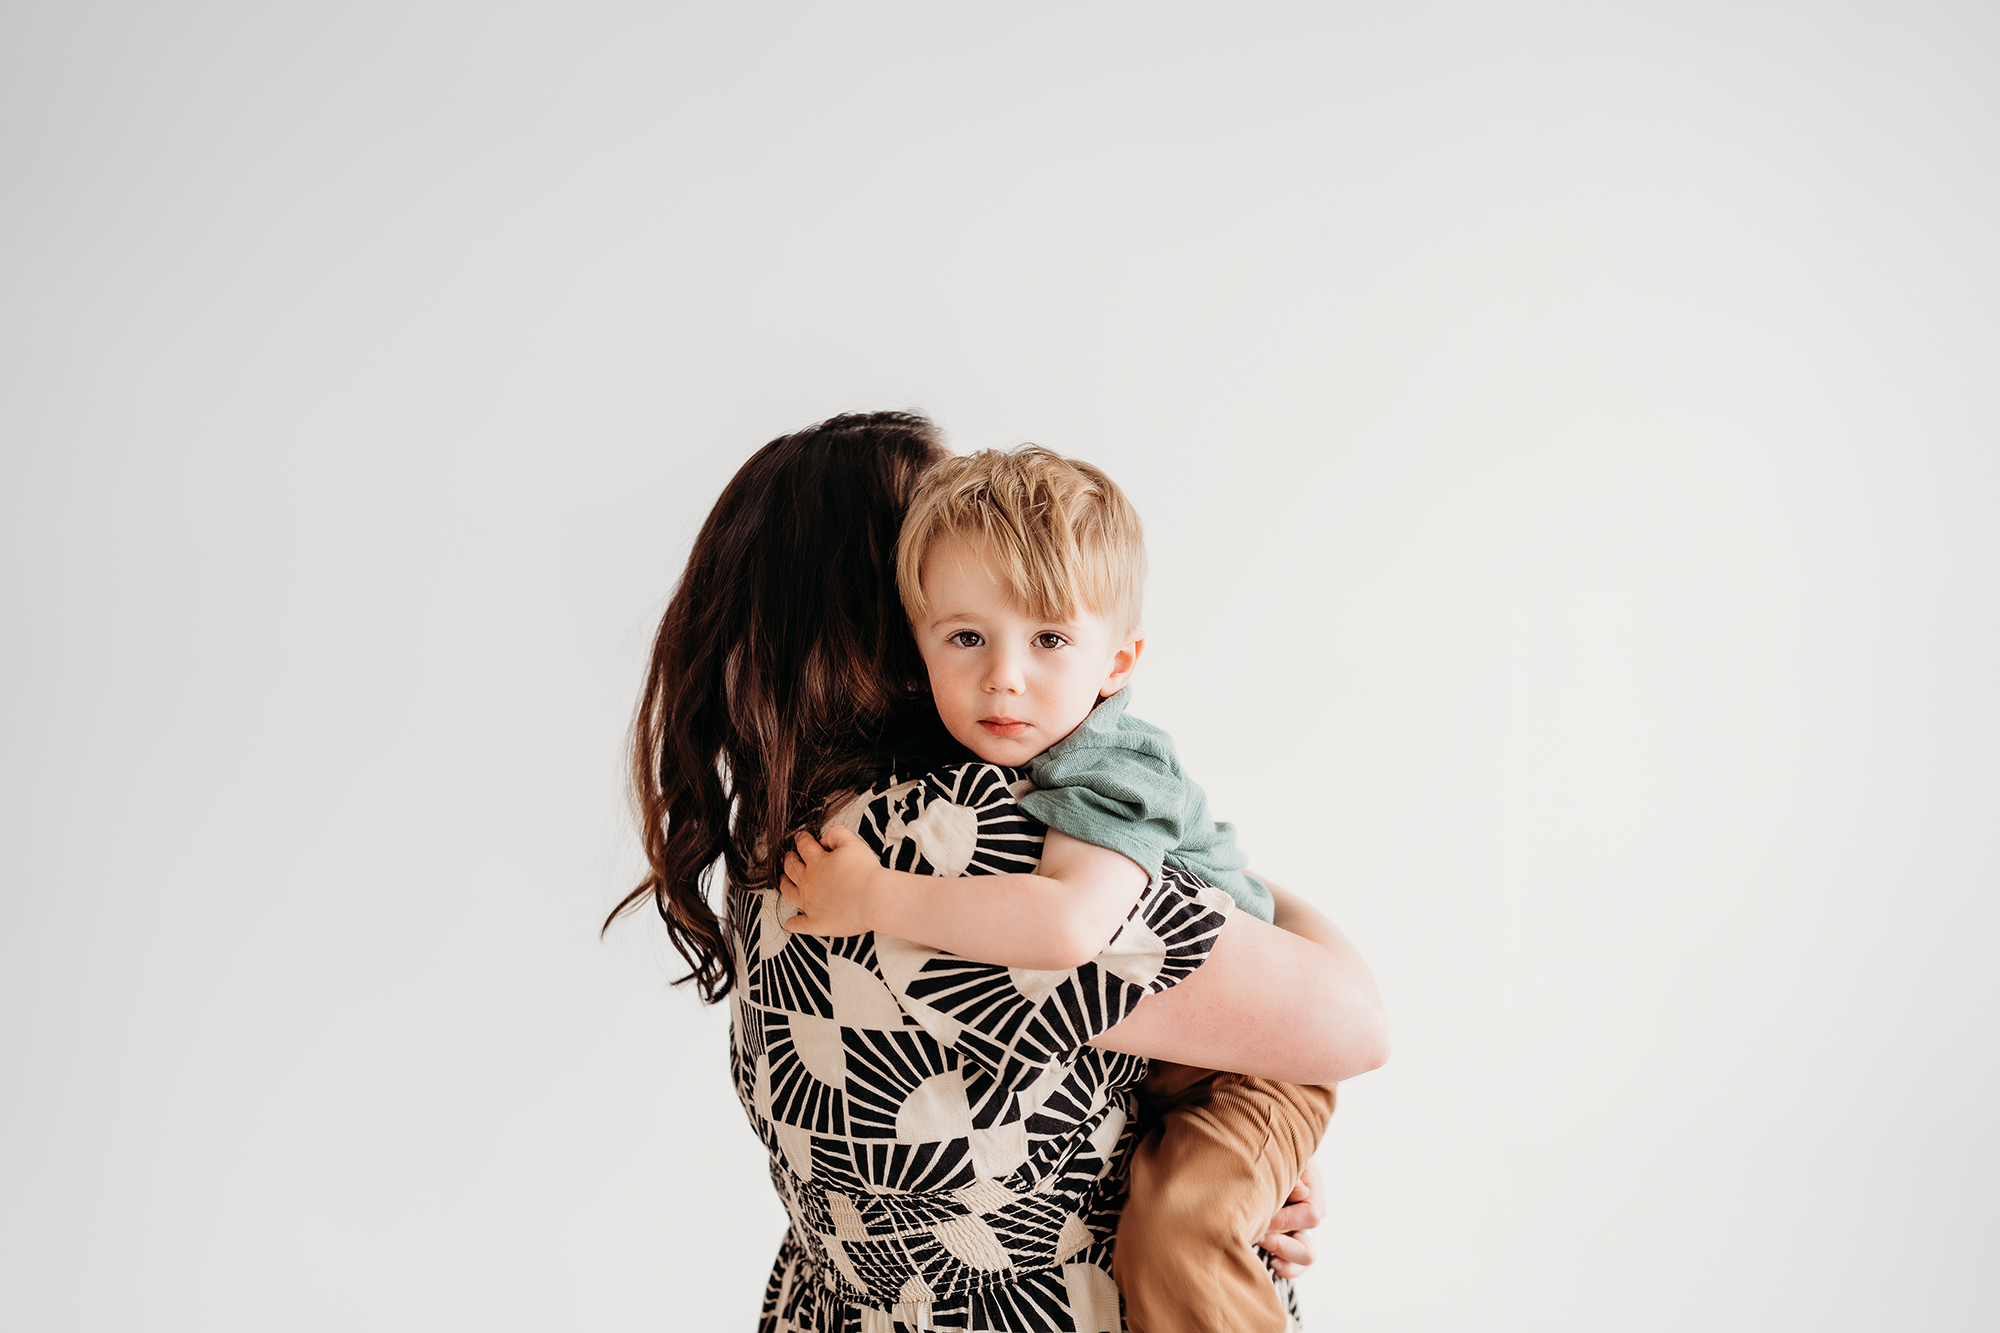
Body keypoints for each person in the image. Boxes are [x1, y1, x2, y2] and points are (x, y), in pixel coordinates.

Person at [608, 412, 1388, 1332]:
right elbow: (1351, 1021)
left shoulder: (781, 843)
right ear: (896, 611)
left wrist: (1228, 1159)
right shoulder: (960, 851)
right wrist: (1197, 879)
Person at [781, 445, 1343, 1333]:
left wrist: (871, 897)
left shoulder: (1109, 767)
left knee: (1181, 1233)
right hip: (1171, 1065)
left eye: (1049, 639)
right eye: (966, 637)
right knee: (1178, 1222)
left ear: (1119, 660)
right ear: (912, 642)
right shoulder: (982, 773)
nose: (1005, 674)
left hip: (1239, 1067)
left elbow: (1067, 925)